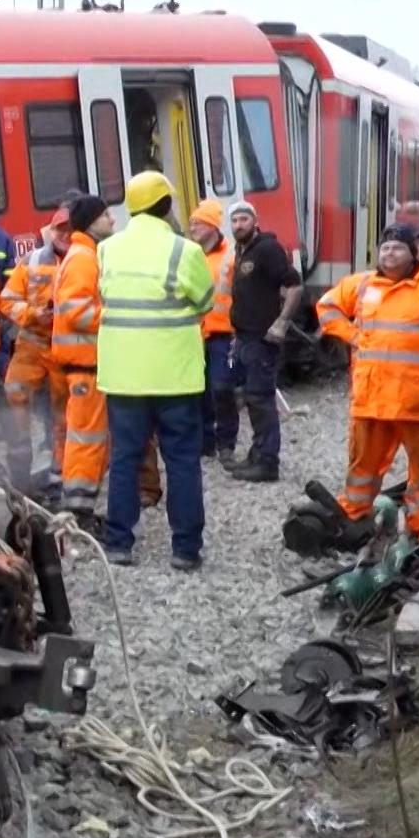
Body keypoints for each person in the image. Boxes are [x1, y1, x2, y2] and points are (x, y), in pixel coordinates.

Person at [315, 222, 419, 547]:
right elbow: (326, 307)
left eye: (398, 247)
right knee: (363, 466)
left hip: (416, 401)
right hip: (371, 400)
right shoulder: (361, 285)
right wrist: (352, 335)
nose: (390, 253)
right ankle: (353, 519)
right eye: (385, 247)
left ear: (413, 253)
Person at [97, 171, 216, 571]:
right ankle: (185, 550)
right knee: (181, 460)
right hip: (175, 377)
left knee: (125, 459)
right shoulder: (185, 252)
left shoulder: (107, 250)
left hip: (123, 376)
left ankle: (118, 543)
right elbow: (204, 301)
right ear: (166, 205)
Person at [222, 200, 301, 483]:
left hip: (262, 338)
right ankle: (257, 455)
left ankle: (268, 462)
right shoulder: (242, 250)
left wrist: (281, 323)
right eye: (234, 221)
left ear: (255, 222)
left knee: (261, 399)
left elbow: (294, 285)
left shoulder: (267, 249)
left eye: (243, 219)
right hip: (244, 337)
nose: (238, 225)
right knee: (253, 399)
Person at [53, 193, 116, 525]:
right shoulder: (83, 258)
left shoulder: (82, 254)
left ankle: (79, 505)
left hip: (86, 364)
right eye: (107, 216)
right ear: (92, 222)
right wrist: (115, 315)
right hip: (85, 365)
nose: (113, 221)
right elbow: (76, 310)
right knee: (86, 439)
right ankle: (78, 510)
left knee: (87, 438)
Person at [1, 205, 72, 494]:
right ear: (51, 231)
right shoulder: (31, 261)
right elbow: (6, 300)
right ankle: (20, 466)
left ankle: (60, 474)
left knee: (63, 414)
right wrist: (32, 314)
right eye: (60, 229)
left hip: (65, 348)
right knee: (14, 394)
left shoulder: (88, 261)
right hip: (32, 343)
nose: (65, 235)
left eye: (70, 229)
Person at [187, 199, 237, 459]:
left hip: (224, 334)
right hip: (195, 334)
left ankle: (226, 442)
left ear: (212, 226)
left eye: (198, 222)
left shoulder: (231, 256)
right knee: (199, 390)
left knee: (221, 387)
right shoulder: (190, 254)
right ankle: (205, 442)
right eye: (192, 222)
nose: (192, 226)